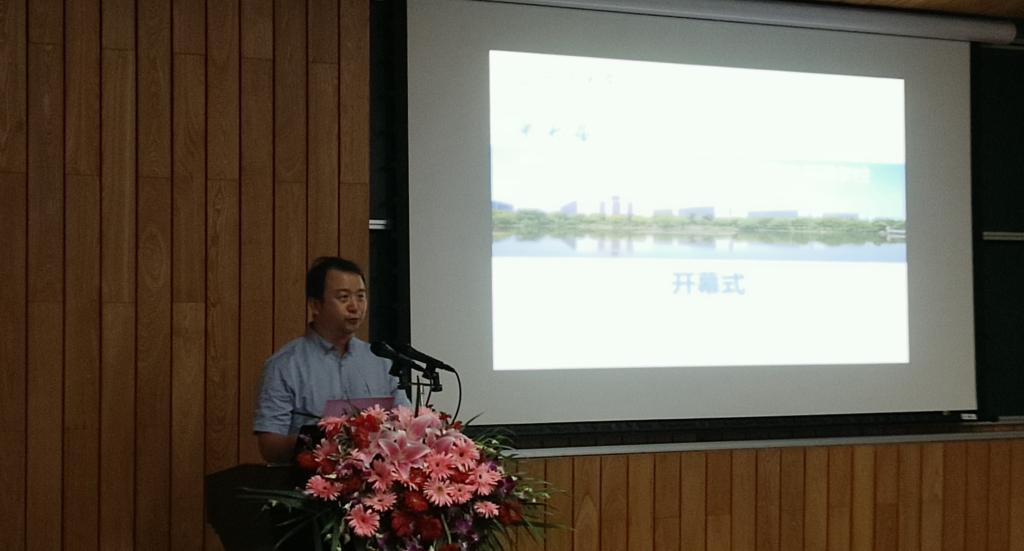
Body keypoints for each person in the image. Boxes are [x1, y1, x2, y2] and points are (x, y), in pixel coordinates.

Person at [253, 256, 410, 463]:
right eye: (344, 298)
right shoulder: (285, 365)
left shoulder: (381, 360)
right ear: (315, 305)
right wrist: (329, 438)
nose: (355, 306)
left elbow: (406, 424)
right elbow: (270, 446)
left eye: (361, 297)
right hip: (311, 479)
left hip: (378, 478)